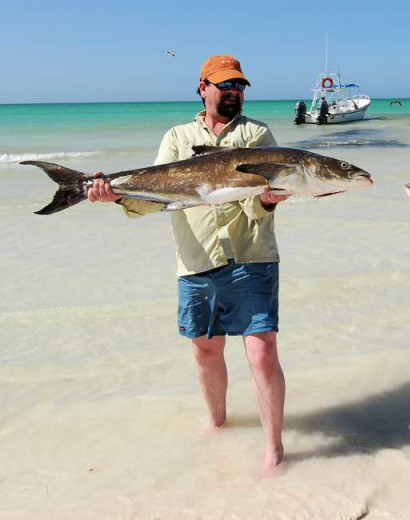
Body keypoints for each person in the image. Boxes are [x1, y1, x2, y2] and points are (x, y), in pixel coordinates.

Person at [87, 54, 291, 476]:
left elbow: (267, 193)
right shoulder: (177, 137)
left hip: (252, 254)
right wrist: (118, 196)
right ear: (203, 88)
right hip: (196, 256)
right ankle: (217, 422)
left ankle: (273, 449)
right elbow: (156, 194)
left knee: (262, 352)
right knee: (205, 349)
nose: (233, 91)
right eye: (225, 85)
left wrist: (268, 200)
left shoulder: (258, 134)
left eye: (239, 86)